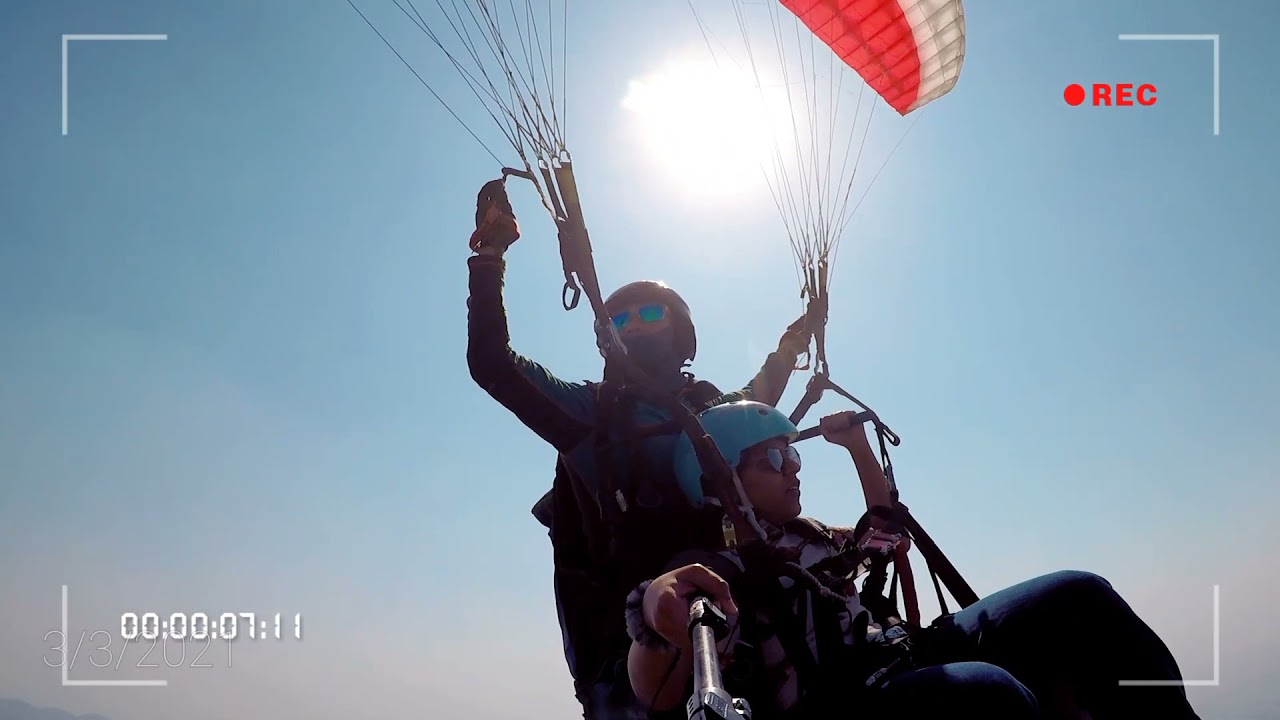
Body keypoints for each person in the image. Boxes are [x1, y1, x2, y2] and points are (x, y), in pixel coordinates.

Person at [624, 400, 1204, 720]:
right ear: (722, 480)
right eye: (775, 459)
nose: (793, 469)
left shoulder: (806, 534)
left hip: (905, 651)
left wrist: (855, 448)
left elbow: (882, 527)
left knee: (1081, 596)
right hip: (846, 702)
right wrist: (653, 613)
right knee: (987, 697)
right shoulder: (719, 564)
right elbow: (656, 686)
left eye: (792, 459)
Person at [465, 196, 809, 717]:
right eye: (619, 317)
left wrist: (790, 347)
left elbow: (757, 400)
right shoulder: (591, 414)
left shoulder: (708, 409)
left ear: (681, 333)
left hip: (730, 620)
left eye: (650, 312)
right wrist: (490, 256)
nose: (633, 323)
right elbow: (494, 364)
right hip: (628, 655)